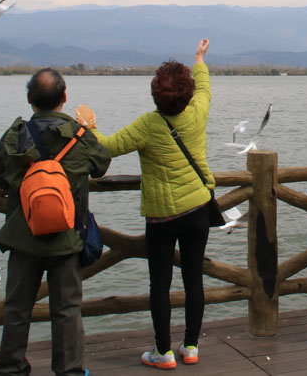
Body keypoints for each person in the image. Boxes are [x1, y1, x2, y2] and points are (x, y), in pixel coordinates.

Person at [75, 38, 213, 369]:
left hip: (162, 217)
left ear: (155, 96)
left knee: (160, 285)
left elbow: (105, 147)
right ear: (188, 94)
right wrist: (199, 59)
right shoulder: (197, 113)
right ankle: (191, 347)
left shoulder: (147, 126)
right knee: (194, 279)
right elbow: (205, 89)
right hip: (198, 209)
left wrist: (88, 126)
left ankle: (163, 352)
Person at [0, 68, 111, 376]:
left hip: (24, 236)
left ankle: (11, 368)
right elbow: (101, 165)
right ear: (64, 97)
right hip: (67, 237)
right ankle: (70, 371)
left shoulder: (15, 135)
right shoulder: (80, 137)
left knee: (17, 309)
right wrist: (88, 128)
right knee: (67, 310)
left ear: (30, 99)